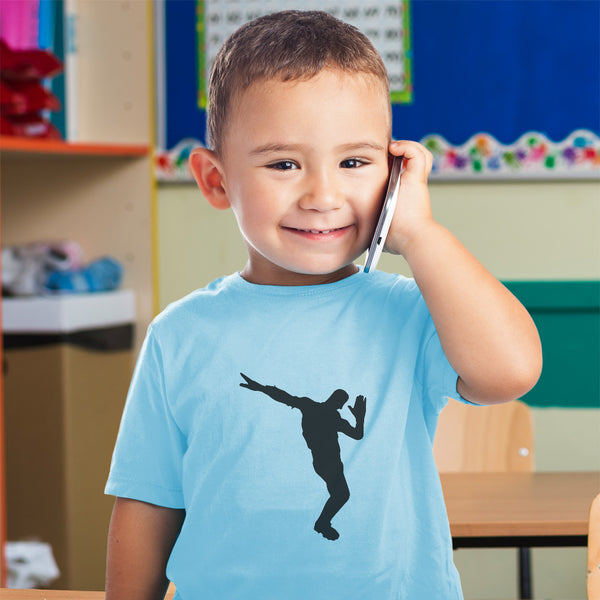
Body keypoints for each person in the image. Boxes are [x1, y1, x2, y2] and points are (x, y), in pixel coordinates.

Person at [105, 10, 542, 600]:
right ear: (216, 181)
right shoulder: (180, 334)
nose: (323, 196)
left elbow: (510, 372)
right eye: (283, 164)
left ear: (392, 174)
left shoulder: (412, 312)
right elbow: (149, 501)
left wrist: (418, 234)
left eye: (355, 163)